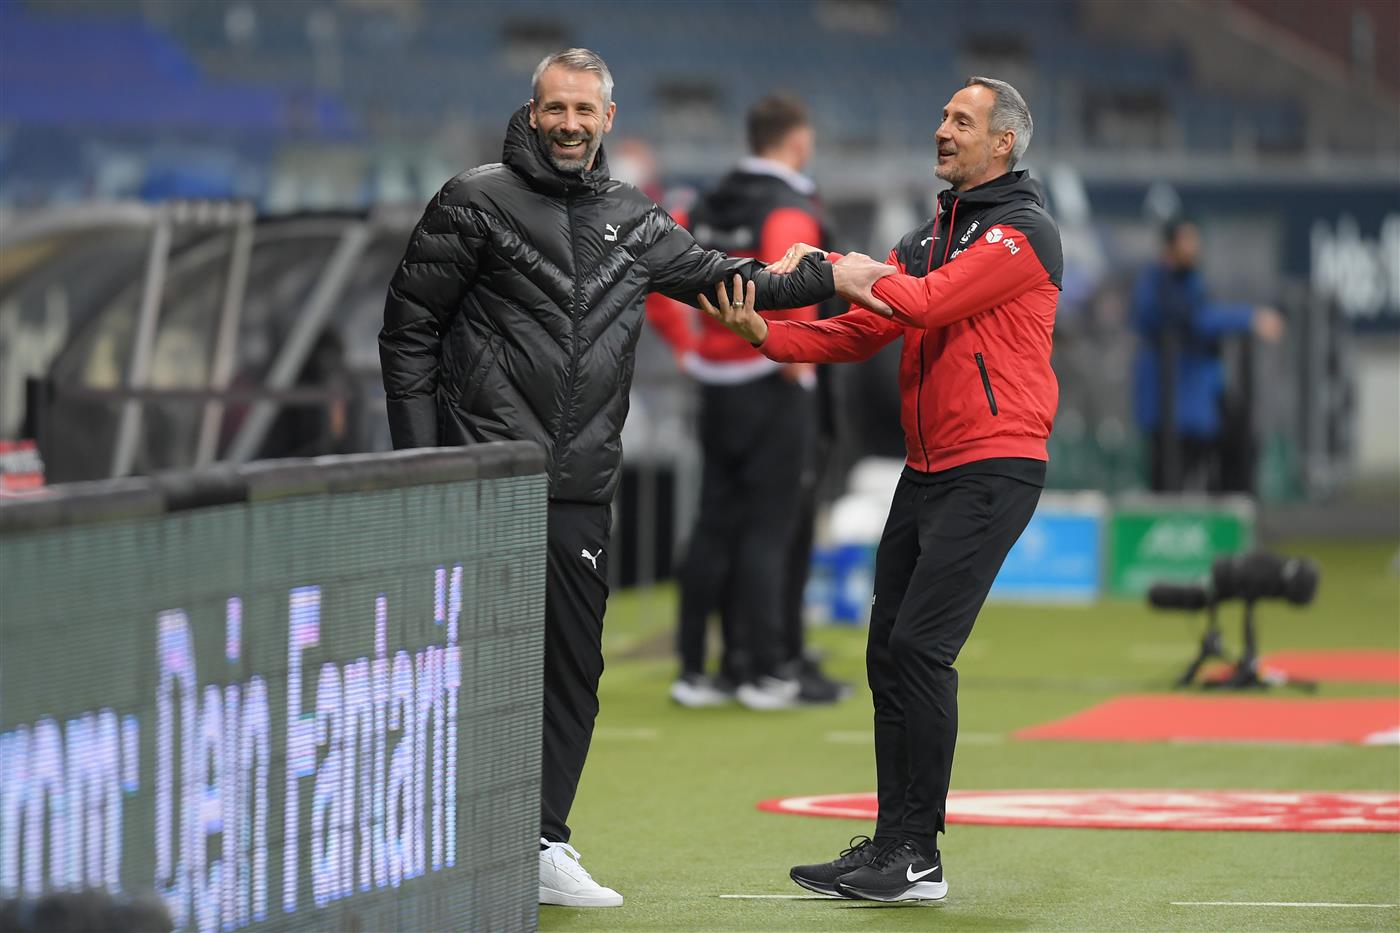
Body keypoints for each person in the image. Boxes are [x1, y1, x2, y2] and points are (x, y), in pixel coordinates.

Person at [378, 49, 834, 908]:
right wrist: (426, 464)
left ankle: (543, 841)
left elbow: (720, 278)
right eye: (557, 108)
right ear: (534, 108)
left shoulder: (636, 218)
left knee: (572, 671)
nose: (570, 125)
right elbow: (406, 334)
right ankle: (435, 839)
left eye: (585, 111)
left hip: (580, 488)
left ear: (608, 119)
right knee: (463, 669)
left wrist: (831, 275)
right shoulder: (472, 200)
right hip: (483, 479)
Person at [701, 76, 1060, 902]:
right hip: (930, 467)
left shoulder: (1024, 233)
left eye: (961, 121)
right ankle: (895, 846)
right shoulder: (932, 234)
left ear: (1003, 142)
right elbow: (864, 329)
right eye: (942, 116)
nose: (943, 129)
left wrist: (840, 264)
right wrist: (767, 334)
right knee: (886, 653)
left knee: (921, 649)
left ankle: (919, 857)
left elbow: (927, 305)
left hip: (995, 463)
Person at [646, 94, 850, 710]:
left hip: (715, 383)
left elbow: (664, 283)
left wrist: (690, 346)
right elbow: (797, 288)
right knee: (770, 529)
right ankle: (766, 671)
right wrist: (797, 359)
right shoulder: (789, 206)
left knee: (712, 527)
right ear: (796, 139)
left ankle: (694, 668)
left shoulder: (705, 202)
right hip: (772, 381)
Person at [1132, 217, 1284, 492]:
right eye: (1186, 241)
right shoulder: (1158, 284)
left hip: (1199, 401)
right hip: (1171, 404)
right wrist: (1249, 318)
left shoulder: (1191, 281)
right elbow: (1194, 319)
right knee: (1168, 480)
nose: (1194, 248)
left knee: (1235, 447)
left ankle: (1230, 516)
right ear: (1170, 246)